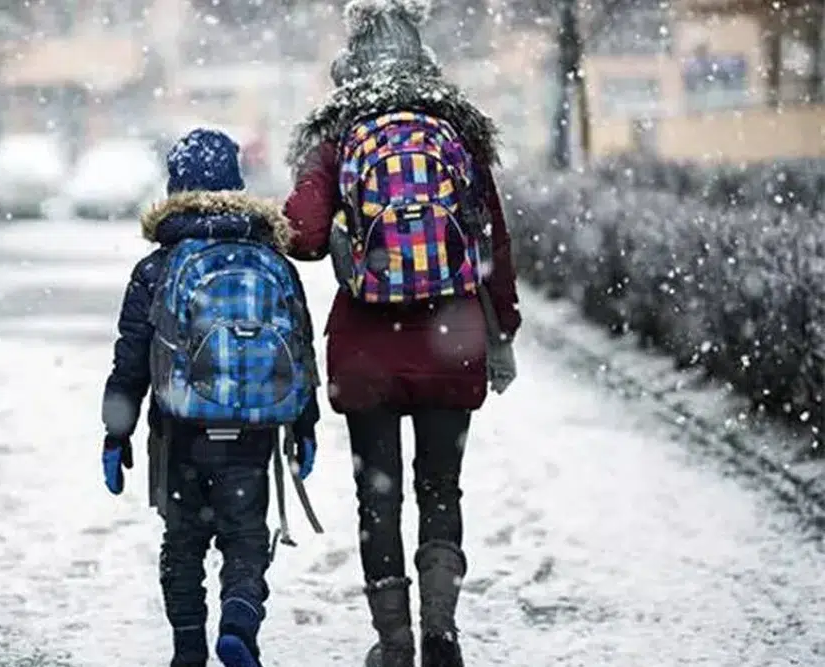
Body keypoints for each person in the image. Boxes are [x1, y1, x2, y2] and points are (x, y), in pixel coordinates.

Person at [281, 1, 522, 666]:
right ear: (423, 57)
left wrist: (332, 220)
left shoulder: (339, 136)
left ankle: (393, 642)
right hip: (452, 339)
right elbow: (494, 243)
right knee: (440, 487)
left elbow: (302, 234)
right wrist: (502, 328)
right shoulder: (456, 133)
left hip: (368, 351)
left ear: (352, 62)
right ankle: (441, 631)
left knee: (377, 496)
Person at [101, 128, 321, 667]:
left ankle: (188, 648)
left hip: (180, 431)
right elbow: (300, 348)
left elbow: (131, 360)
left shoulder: (157, 267)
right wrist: (305, 424)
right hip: (252, 431)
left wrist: (116, 433)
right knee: (245, 537)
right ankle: (239, 623)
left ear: (174, 187)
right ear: (237, 184)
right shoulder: (272, 260)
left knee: (183, 543)